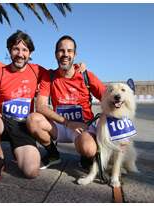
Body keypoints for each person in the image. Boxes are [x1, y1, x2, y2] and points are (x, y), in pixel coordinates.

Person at [0, 30, 86, 182]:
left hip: (23, 127)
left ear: (30, 52)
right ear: (9, 50)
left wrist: (77, 67)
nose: (20, 54)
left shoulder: (37, 71)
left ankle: (18, 150)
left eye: (25, 50)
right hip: (3, 123)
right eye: (16, 49)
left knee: (31, 171)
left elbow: (59, 73)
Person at [27, 35, 106, 170]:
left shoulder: (86, 76)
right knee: (33, 119)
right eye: (61, 51)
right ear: (56, 54)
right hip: (61, 126)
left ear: (74, 54)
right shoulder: (49, 76)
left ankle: (86, 157)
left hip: (83, 127)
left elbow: (107, 99)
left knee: (88, 149)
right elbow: (40, 106)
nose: (65, 54)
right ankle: (53, 154)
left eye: (69, 51)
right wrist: (67, 123)